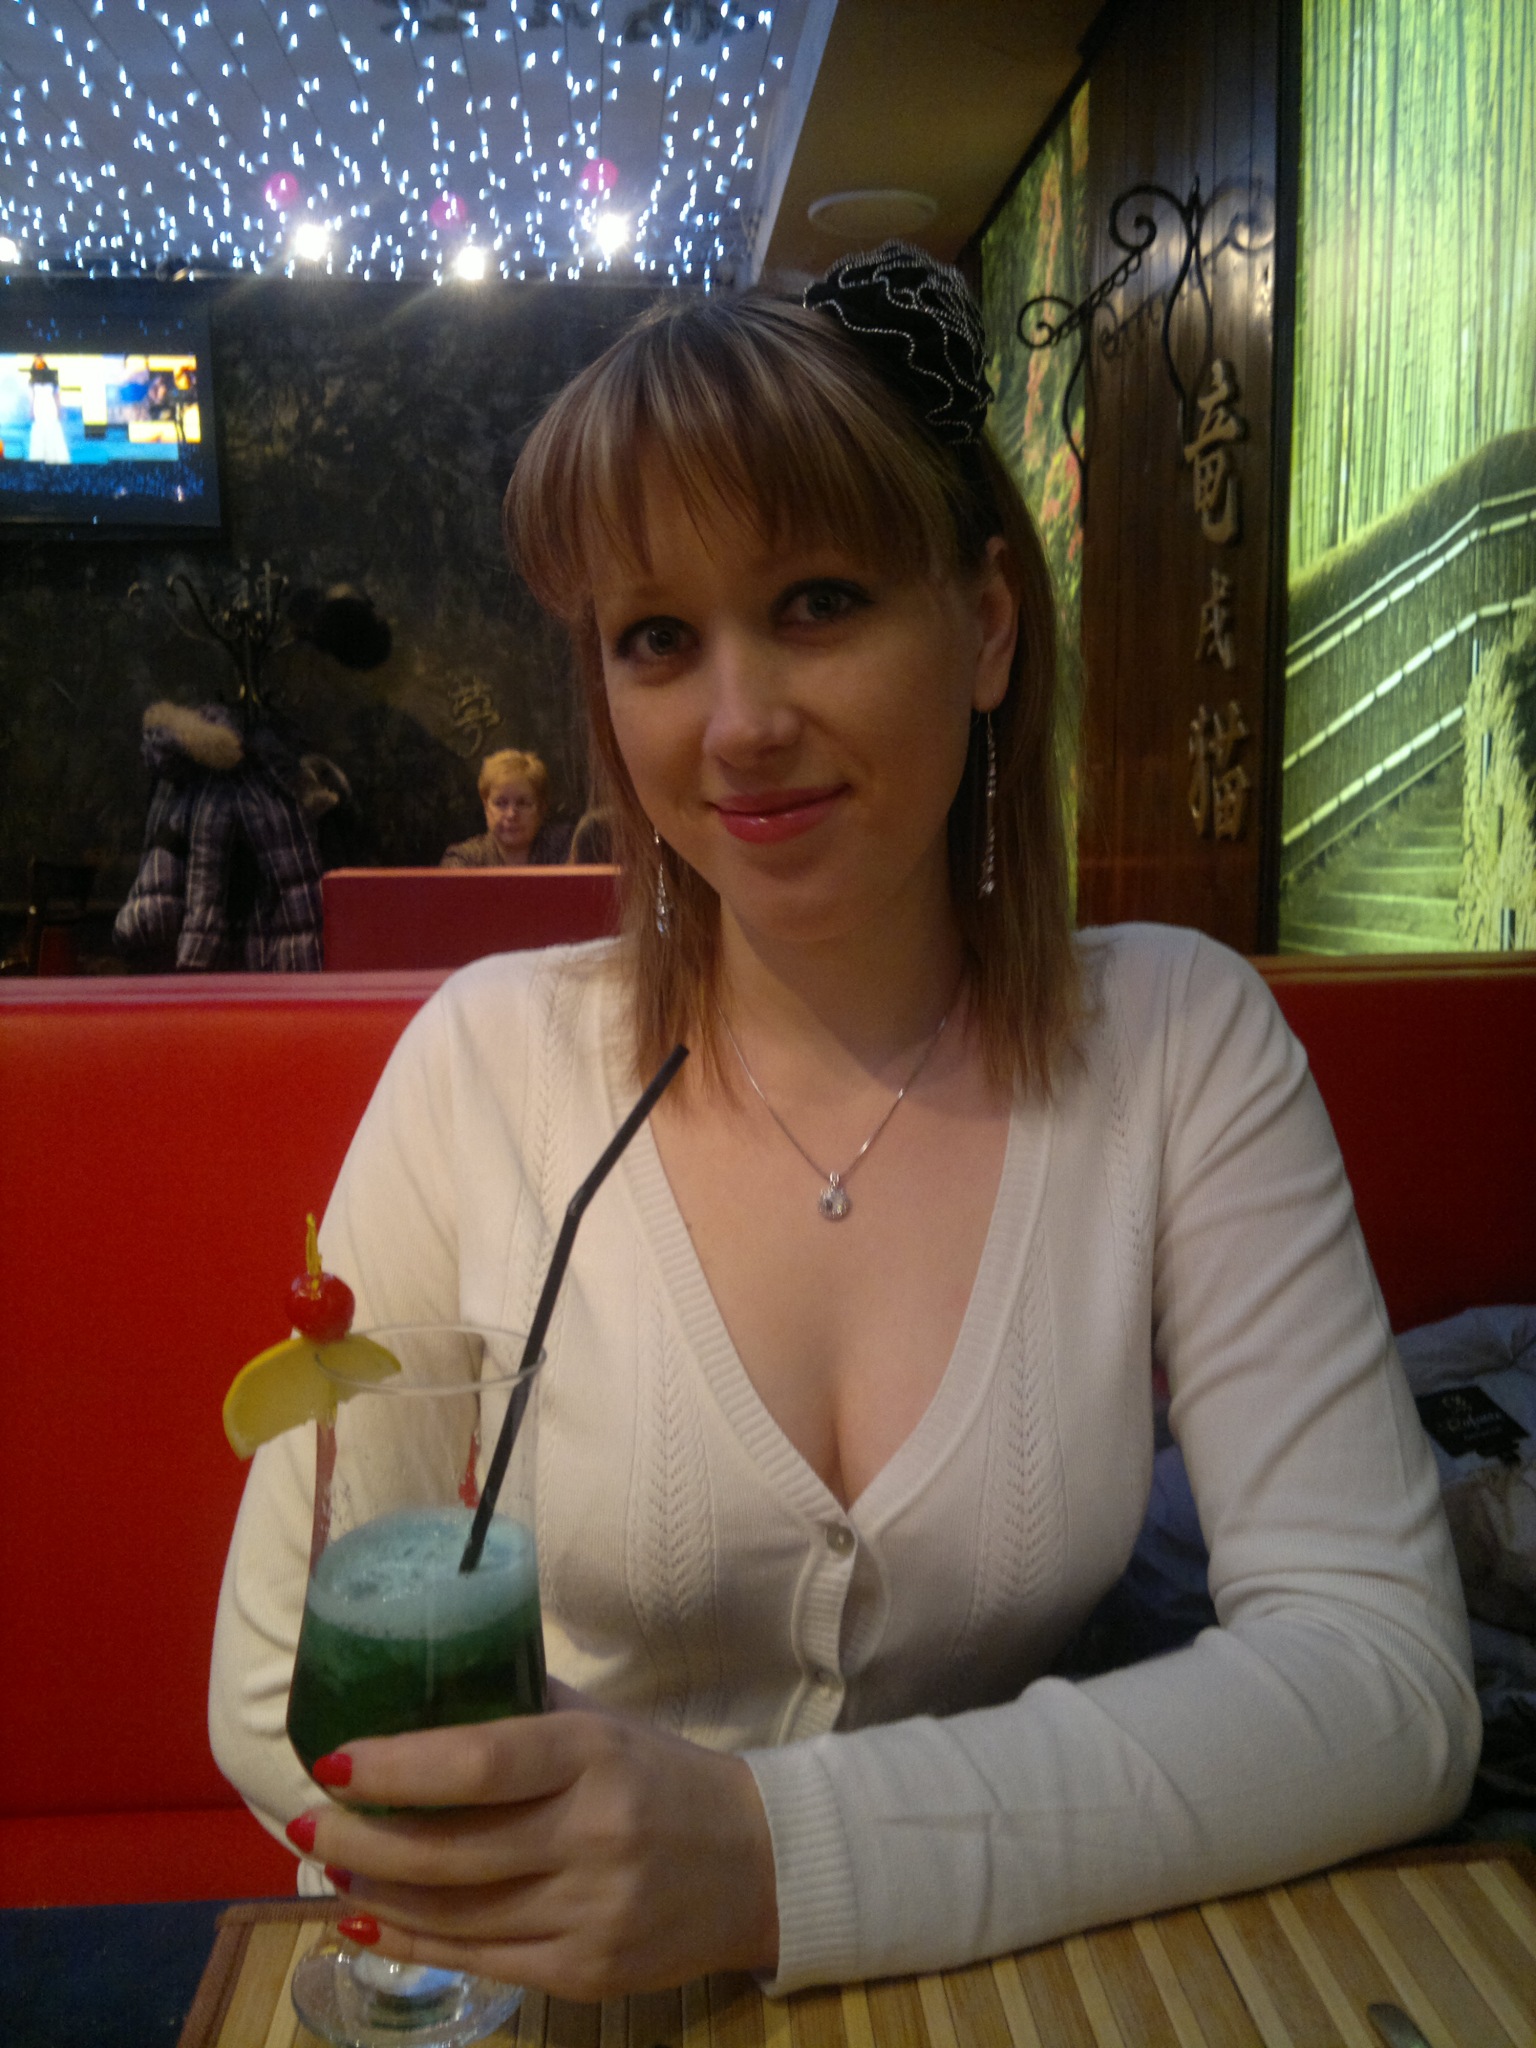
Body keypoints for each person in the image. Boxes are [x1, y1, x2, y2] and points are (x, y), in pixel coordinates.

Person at [210, 244, 1477, 1999]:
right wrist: (526, 1870)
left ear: (985, 625)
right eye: (659, 639)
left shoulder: (1181, 1043)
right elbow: (279, 1682)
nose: (739, 724)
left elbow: (1386, 1675)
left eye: (817, 602)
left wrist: (769, 1859)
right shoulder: (487, 1066)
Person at [441, 746, 571, 867]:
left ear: (542, 808)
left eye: (522, 803)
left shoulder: (567, 849)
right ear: (486, 807)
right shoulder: (464, 860)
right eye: (501, 803)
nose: (511, 814)